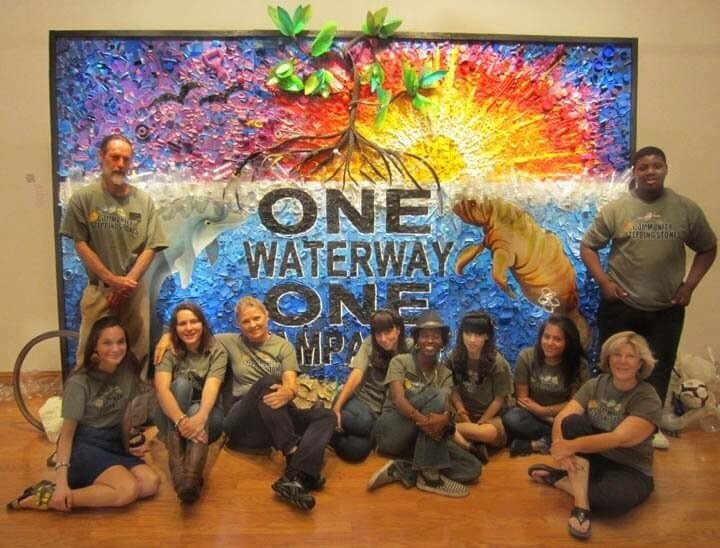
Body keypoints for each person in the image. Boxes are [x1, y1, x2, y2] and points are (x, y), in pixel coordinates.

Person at [580, 146, 716, 449]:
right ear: (635, 172)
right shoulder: (617, 209)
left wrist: (689, 286)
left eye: (656, 166)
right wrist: (603, 281)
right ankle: (607, 420)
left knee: (659, 367)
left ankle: (648, 427)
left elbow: (708, 247)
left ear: (666, 169)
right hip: (621, 306)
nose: (650, 172)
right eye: (643, 167)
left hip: (666, 307)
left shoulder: (685, 209)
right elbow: (588, 247)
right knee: (614, 364)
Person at [7, 317, 159, 511]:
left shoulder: (127, 373)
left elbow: (125, 415)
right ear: (94, 346)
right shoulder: (79, 382)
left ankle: (86, 489)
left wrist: (127, 449)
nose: (116, 348)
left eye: (120, 342)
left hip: (112, 443)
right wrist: (61, 481)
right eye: (107, 343)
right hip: (85, 445)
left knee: (150, 483)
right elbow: (67, 435)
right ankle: (48, 497)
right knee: (127, 490)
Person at [527, 331, 662, 540]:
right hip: (596, 456)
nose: (622, 361)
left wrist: (570, 447)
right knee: (572, 423)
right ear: (608, 358)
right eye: (617, 354)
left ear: (641, 363)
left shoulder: (648, 397)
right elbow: (564, 417)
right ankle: (581, 507)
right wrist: (557, 445)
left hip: (630, 467)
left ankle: (560, 480)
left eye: (630, 356)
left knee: (614, 503)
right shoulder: (596, 384)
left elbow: (619, 438)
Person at [61, 133, 168, 374]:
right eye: (115, 157)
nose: (120, 164)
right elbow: (81, 244)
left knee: (137, 351)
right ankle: (85, 406)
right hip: (99, 289)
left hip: (134, 290)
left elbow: (151, 246)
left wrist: (126, 284)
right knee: (89, 351)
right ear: (101, 158)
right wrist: (111, 280)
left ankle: (135, 408)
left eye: (126, 159)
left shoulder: (144, 201)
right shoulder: (84, 198)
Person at [220, 297, 335, 511]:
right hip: (243, 419)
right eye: (246, 321)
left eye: (257, 318)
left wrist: (289, 391)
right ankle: (295, 459)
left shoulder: (283, 347)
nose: (253, 324)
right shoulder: (228, 341)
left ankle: (294, 478)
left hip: (274, 415)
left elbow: (290, 384)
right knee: (268, 382)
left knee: (326, 416)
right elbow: (193, 337)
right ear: (238, 324)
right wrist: (167, 338)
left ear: (267, 317)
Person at [369, 311, 481, 498]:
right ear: (417, 340)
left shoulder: (445, 373)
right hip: (391, 431)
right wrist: (424, 420)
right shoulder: (400, 362)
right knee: (434, 393)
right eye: (425, 336)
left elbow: (447, 408)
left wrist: (445, 418)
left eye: (436, 337)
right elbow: (398, 399)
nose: (430, 341)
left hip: (422, 437)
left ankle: (406, 468)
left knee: (473, 468)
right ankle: (430, 476)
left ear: (443, 342)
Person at [152, 302, 226, 503]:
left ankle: (189, 480)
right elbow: (162, 389)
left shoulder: (216, 350)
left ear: (203, 324)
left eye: (194, 321)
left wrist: (200, 418)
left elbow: (212, 388)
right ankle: (184, 478)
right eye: (182, 323)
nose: (189, 327)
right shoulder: (168, 349)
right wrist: (181, 420)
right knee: (182, 385)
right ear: (174, 328)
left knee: (196, 407)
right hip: (170, 416)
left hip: (208, 416)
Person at [330, 309, 411, 462]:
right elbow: (356, 375)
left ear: (398, 330)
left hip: (379, 413)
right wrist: (336, 408)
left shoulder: (409, 349)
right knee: (364, 423)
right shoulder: (369, 344)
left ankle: (330, 435)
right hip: (358, 402)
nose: (383, 339)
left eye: (388, 332)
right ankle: (322, 416)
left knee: (357, 451)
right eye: (378, 334)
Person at [503, 314, 589, 457]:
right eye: (546, 337)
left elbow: (574, 405)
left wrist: (546, 411)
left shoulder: (579, 365)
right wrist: (547, 417)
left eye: (557, 339)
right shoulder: (526, 356)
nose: (550, 343)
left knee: (579, 424)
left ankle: (536, 444)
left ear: (568, 342)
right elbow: (522, 400)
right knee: (511, 417)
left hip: (563, 417)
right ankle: (551, 440)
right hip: (532, 415)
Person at [447, 311, 513, 464]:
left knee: (490, 433)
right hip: (462, 412)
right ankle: (471, 446)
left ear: (487, 336)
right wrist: (463, 414)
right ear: (461, 334)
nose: (472, 340)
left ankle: (454, 434)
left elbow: (499, 400)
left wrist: (479, 423)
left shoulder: (499, 363)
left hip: (490, 416)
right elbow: (454, 391)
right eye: (468, 333)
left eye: (478, 335)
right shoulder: (453, 357)